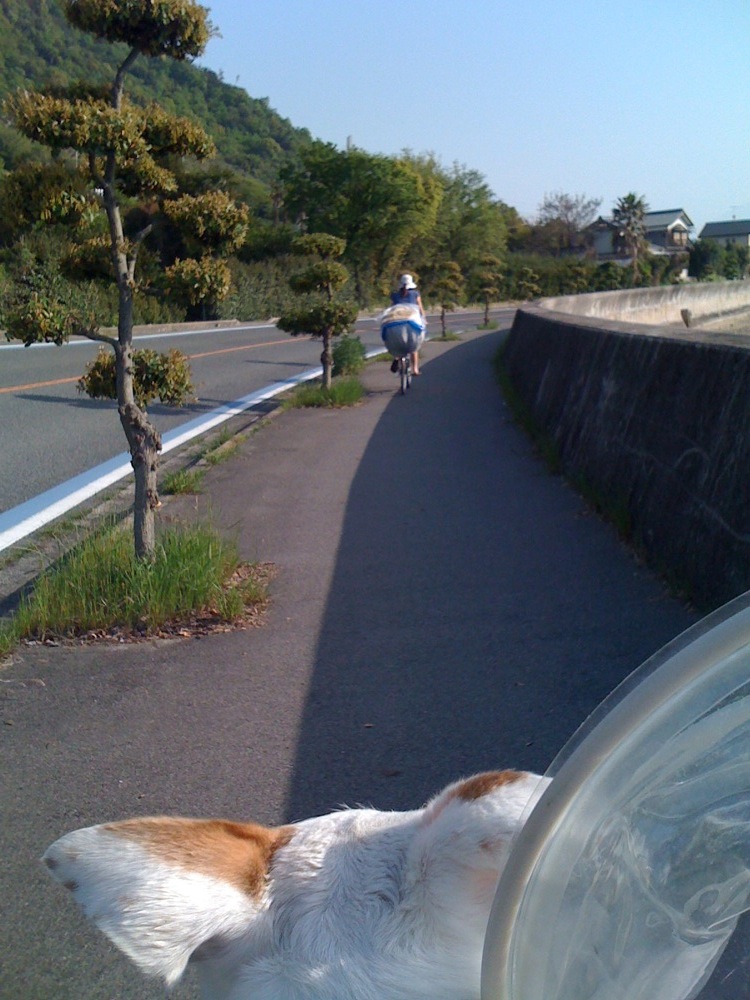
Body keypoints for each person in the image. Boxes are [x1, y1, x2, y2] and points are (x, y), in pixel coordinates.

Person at [389, 273, 425, 375]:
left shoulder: (395, 295)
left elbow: (391, 308)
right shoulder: (415, 294)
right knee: (414, 346)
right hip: (411, 321)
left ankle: (397, 357)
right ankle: (415, 369)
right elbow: (420, 308)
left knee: (398, 342)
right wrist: (423, 319)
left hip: (397, 321)